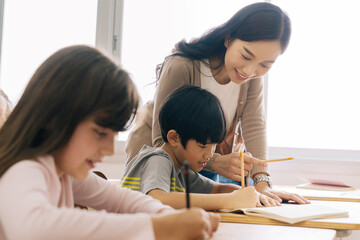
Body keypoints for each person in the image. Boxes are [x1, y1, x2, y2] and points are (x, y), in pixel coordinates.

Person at [0, 45, 219, 240]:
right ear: (54, 118)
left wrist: (166, 216)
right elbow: (35, 228)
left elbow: (121, 199)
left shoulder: (62, 171)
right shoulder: (24, 168)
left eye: (113, 135)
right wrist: (158, 227)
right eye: (99, 132)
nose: (107, 150)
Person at [125, 2, 309, 204]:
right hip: (164, 156)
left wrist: (261, 184)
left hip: (196, 162)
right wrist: (214, 162)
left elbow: (254, 126)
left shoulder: (253, 77)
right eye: (246, 56)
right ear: (228, 38)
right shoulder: (182, 66)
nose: (250, 71)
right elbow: (163, 143)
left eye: (265, 65)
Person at [122, 86, 281, 209]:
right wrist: (230, 200)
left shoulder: (180, 169)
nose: (210, 154)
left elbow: (217, 189)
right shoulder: (157, 160)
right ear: (174, 138)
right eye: (203, 145)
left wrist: (248, 193)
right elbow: (157, 198)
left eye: (214, 146)